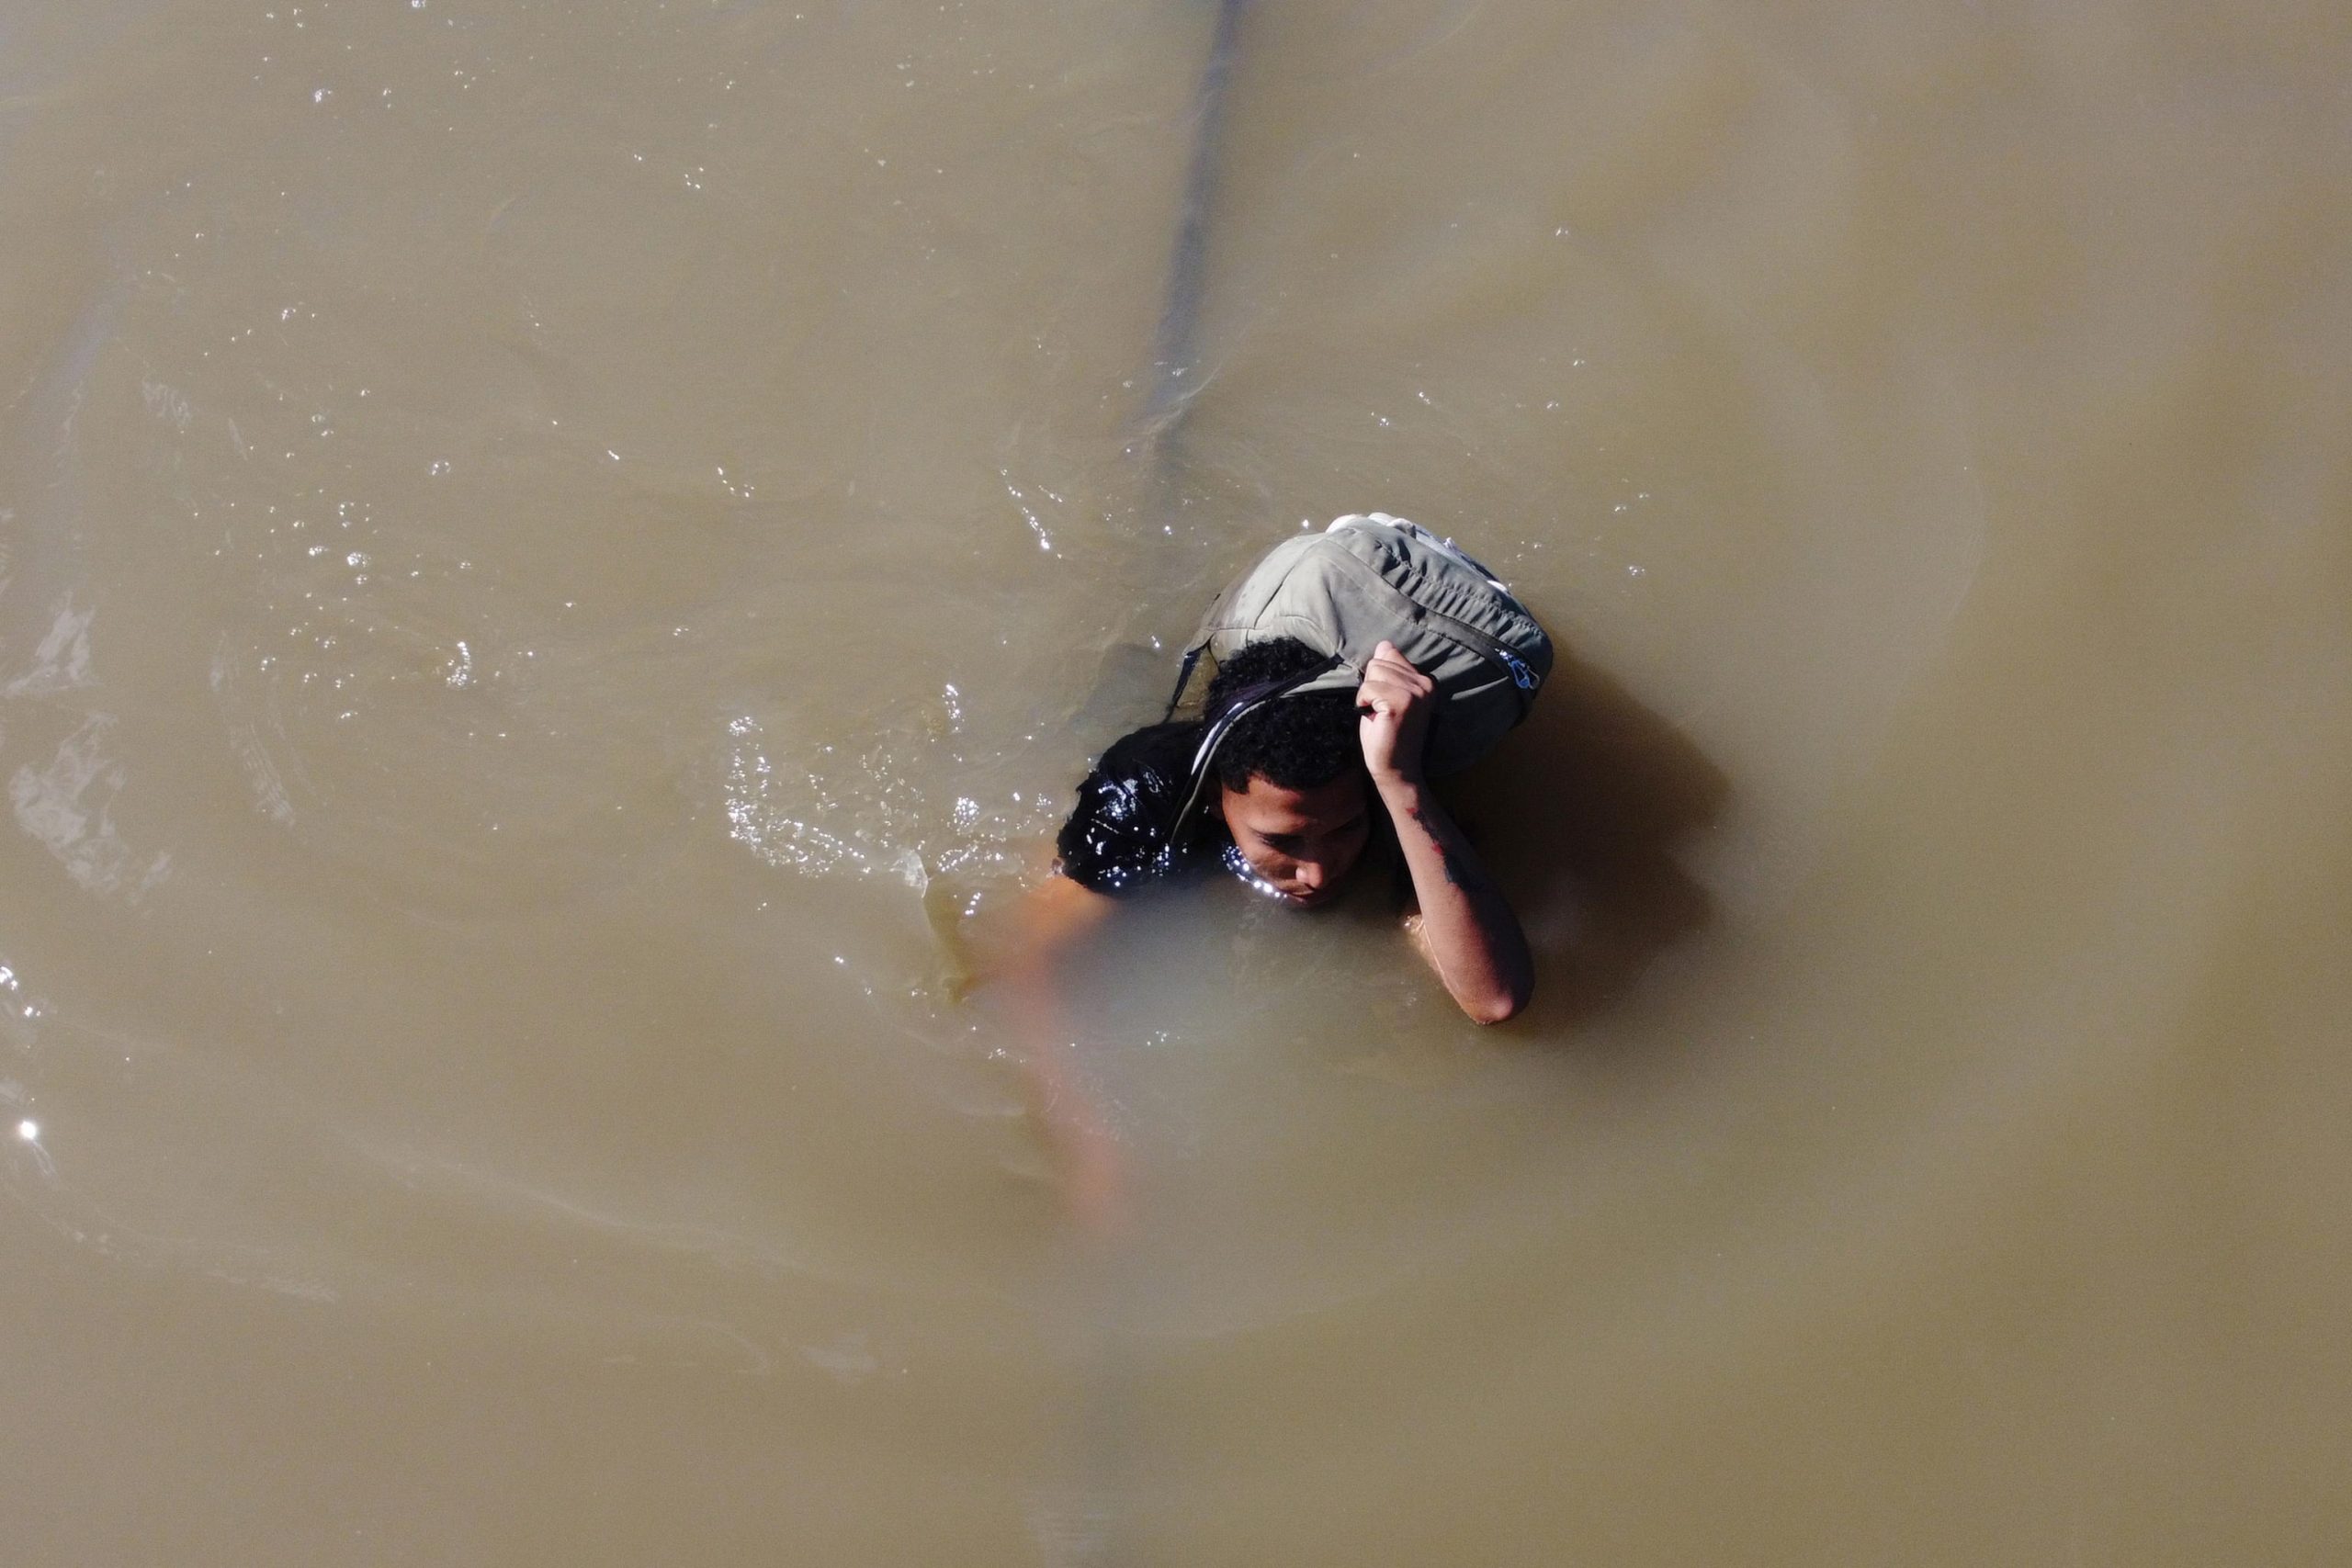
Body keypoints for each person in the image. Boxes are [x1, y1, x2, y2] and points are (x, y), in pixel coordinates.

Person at [1004, 632, 1534, 1228]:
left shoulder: (1386, 802)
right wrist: (1094, 1148)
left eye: (1342, 831)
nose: (1317, 871)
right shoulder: (1150, 800)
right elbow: (1029, 958)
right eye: (1281, 841)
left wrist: (1400, 784)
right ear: (1215, 800)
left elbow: (1492, 997)